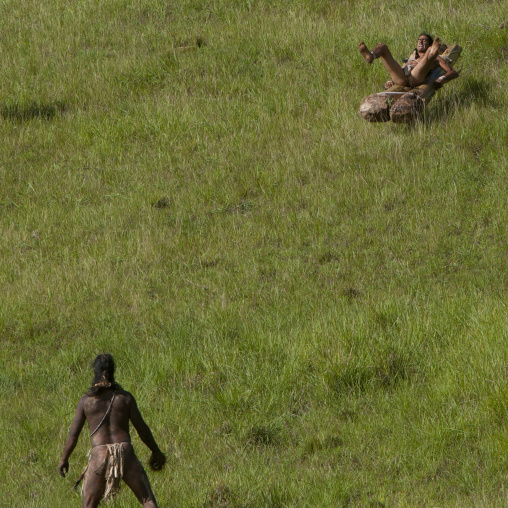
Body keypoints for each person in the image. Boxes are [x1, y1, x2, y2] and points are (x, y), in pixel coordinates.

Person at [58, 354, 166, 508]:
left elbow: (73, 435)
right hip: (125, 451)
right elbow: (142, 429)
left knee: (88, 505)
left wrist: (64, 459)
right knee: (147, 500)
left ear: (94, 372)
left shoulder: (86, 402)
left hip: (99, 454)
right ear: (113, 372)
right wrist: (156, 451)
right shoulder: (125, 399)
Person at [359, 33, 459, 88]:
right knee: (382, 47)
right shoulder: (410, 58)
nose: (421, 42)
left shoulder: (437, 58)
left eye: (424, 40)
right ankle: (370, 56)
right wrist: (390, 82)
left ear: (429, 44)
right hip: (401, 78)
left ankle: (431, 53)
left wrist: (441, 79)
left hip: (415, 78)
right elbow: (399, 69)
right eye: (419, 40)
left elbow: (453, 72)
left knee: (430, 55)